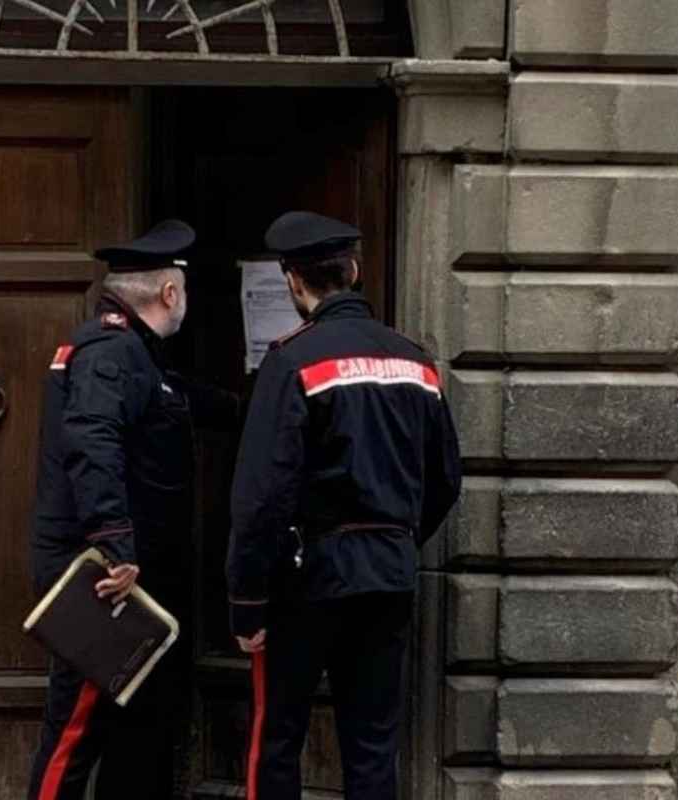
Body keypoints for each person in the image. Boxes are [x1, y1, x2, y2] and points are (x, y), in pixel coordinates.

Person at [226, 211, 462, 800]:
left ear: (293, 282)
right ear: (354, 271)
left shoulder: (292, 360)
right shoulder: (417, 361)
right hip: (388, 575)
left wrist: (246, 602)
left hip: (309, 579)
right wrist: (396, 540)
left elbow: (261, 496)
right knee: (373, 748)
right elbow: (445, 480)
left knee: (278, 737)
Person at [29, 219, 232, 800]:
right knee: (75, 733)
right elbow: (92, 439)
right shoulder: (112, 353)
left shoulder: (130, 353)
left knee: (132, 733)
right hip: (104, 583)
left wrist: (253, 400)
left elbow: (173, 398)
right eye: (184, 292)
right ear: (171, 293)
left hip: (124, 579)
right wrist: (115, 546)